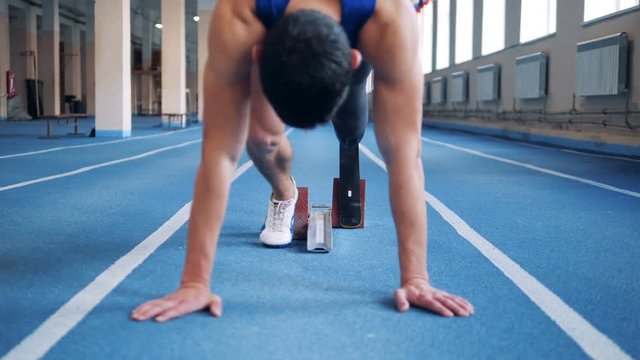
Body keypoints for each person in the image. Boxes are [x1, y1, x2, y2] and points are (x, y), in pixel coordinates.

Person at [131, 0, 474, 322]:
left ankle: (350, 111)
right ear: (259, 54)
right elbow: (219, 153)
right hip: (296, 27)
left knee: (352, 126)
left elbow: (405, 155)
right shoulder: (238, 15)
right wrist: (194, 281)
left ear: (353, 59)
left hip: (363, 25)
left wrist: (416, 277)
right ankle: (284, 192)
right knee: (261, 137)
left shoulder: (392, 19)